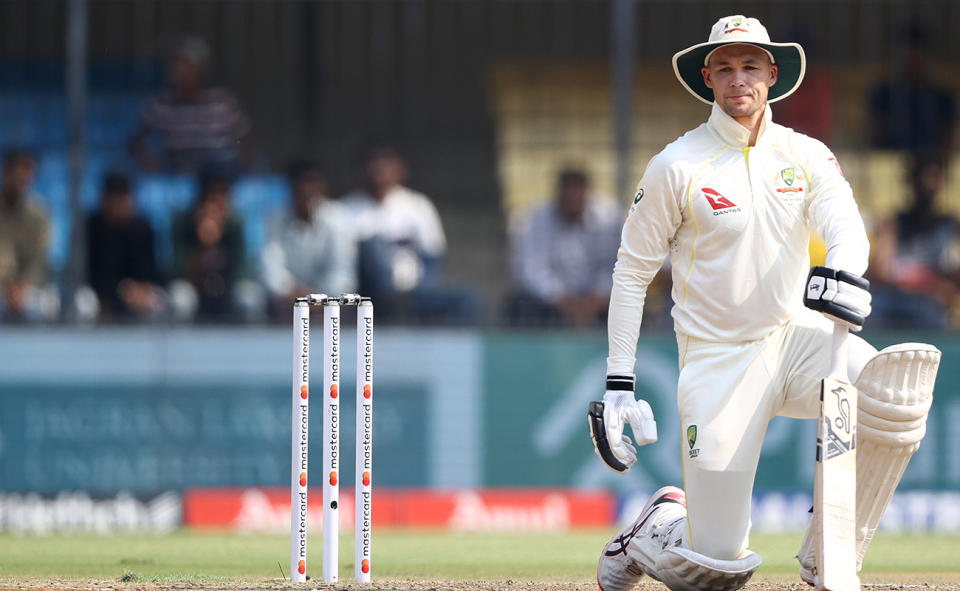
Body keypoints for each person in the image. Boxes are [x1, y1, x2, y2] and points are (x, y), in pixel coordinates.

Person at [586, 16, 942, 591]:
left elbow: (847, 226)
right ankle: (657, 527)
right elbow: (631, 274)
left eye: (750, 66)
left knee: (894, 393)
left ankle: (831, 552)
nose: (738, 80)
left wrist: (844, 271)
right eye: (724, 68)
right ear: (707, 78)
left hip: (795, 341)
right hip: (716, 361)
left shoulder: (805, 155)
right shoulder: (677, 165)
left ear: (772, 75)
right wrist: (618, 382)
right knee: (716, 568)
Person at [341, 143, 477, 324]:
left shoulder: (418, 205)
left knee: (467, 300)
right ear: (362, 170)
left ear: (400, 169)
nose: (380, 170)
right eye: (374, 163)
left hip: (415, 294)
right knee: (374, 246)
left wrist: (418, 293)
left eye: (386, 163)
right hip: (370, 297)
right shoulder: (345, 209)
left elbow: (432, 257)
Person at [507, 168, 622, 327]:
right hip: (551, 301)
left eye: (577, 190)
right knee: (520, 305)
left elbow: (615, 264)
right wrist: (560, 298)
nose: (572, 196)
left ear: (586, 192)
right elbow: (531, 269)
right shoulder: (536, 218)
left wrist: (597, 298)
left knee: (628, 305)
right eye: (568, 189)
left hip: (599, 299)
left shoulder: (609, 217)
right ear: (558, 192)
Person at [129, 36, 255, 175]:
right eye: (174, 64)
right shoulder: (160, 104)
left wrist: (246, 175)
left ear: (200, 69)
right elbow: (135, 142)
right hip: (178, 180)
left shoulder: (222, 102)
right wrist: (150, 164)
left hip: (219, 182)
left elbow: (246, 141)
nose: (177, 69)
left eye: (184, 64)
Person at [868, 152, 960, 329]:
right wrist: (917, 279)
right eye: (922, 177)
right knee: (868, 310)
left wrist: (942, 286)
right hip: (891, 300)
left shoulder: (950, 226)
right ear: (911, 180)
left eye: (933, 177)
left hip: (929, 303)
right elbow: (881, 270)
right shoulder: (892, 223)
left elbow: (953, 278)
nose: (927, 185)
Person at [261, 158, 357, 319]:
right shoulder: (275, 219)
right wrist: (294, 293)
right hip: (289, 301)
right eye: (302, 184)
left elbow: (342, 272)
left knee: (347, 300)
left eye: (313, 184)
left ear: (323, 187)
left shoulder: (339, 217)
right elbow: (271, 269)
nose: (307, 190)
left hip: (329, 302)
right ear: (291, 188)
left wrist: (318, 298)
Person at [85, 171, 166, 322]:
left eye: (124, 196)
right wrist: (122, 290)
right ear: (105, 199)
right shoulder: (91, 228)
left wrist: (139, 290)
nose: (121, 203)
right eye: (116, 197)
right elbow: (88, 274)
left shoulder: (142, 228)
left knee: (158, 299)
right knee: (84, 302)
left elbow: (150, 271)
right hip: (101, 293)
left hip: (137, 294)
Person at [170, 169, 248, 322]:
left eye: (223, 194)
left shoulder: (234, 224)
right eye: (214, 195)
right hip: (193, 286)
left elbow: (242, 268)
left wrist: (217, 242)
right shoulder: (183, 222)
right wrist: (204, 247)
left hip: (228, 286)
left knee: (248, 297)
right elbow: (176, 269)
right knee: (180, 298)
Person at [868, 22, 956, 156]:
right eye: (908, 54)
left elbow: (947, 141)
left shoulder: (943, 98)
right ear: (899, 56)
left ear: (927, 57)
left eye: (917, 55)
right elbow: (877, 139)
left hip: (933, 166)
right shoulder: (882, 95)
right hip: (889, 165)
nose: (913, 61)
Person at [0, 149, 55, 322]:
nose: (22, 178)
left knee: (50, 305)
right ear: (6, 172)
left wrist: (24, 286)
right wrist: (7, 286)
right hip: (2, 289)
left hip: (28, 290)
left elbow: (40, 258)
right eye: (18, 172)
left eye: (27, 172)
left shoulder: (39, 213)